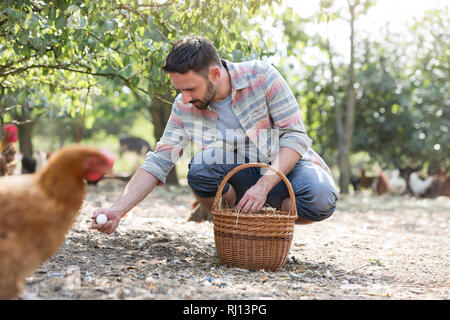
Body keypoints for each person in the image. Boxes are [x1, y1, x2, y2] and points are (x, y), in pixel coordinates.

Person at [91, 35, 338, 235]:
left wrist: (263, 186)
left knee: (320, 198)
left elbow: (295, 136)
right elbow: (159, 161)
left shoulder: (262, 77)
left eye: (190, 88)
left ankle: (271, 222)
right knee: (200, 168)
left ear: (215, 75)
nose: (184, 98)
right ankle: (233, 225)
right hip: (236, 176)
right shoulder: (183, 105)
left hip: (284, 169)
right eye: (180, 90)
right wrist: (117, 210)